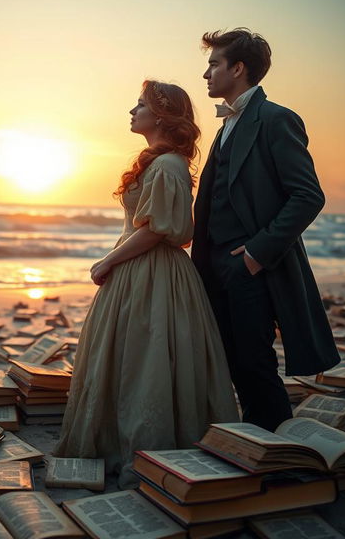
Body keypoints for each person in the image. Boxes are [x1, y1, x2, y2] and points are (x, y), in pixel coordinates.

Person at [55, 80, 238, 488]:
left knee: (145, 359)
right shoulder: (159, 162)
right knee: (133, 357)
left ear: (161, 115)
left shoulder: (169, 165)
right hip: (141, 268)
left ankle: (147, 447)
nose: (131, 111)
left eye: (139, 105)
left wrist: (107, 260)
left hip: (153, 271)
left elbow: (158, 229)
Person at [191, 28, 340, 432]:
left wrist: (256, 254)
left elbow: (308, 196)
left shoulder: (276, 120)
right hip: (216, 263)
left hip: (251, 264)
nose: (206, 73)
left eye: (213, 64)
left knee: (255, 363)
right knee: (233, 359)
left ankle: (276, 452)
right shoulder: (227, 127)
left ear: (237, 68)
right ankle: (256, 441)